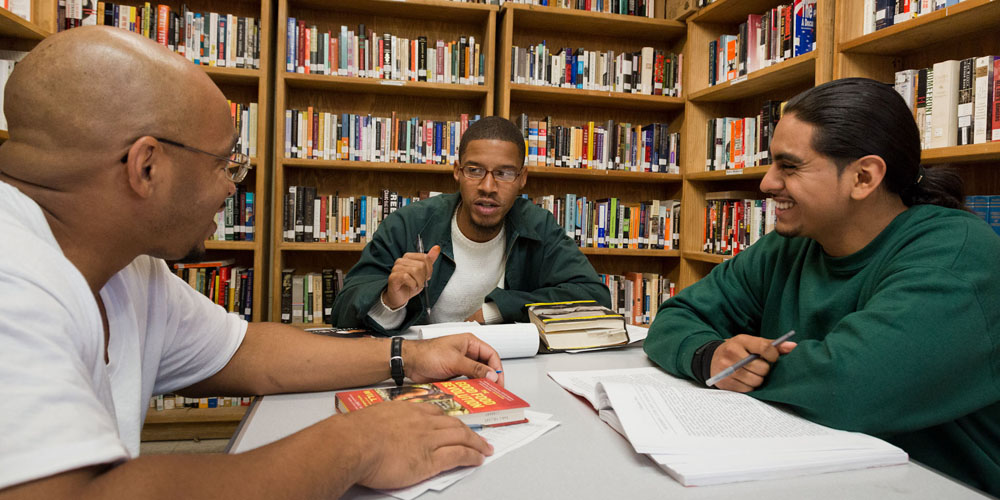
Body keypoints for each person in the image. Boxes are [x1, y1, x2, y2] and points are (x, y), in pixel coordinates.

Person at [0, 26, 506, 499]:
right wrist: (357, 446)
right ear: (146, 167)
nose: (232, 186)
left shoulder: (131, 268)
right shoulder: (13, 278)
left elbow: (243, 353)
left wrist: (412, 357)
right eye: (225, 164)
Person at [644, 78, 1000, 495]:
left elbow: (852, 385)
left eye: (789, 166)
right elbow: (675, 318)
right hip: (828, 473)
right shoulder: (788, 246)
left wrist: (743, 371)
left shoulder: (958, 255)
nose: (766, 183)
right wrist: (709, 356)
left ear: (863, 177)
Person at [331, 116, 611, 335]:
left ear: (522, 178)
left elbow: (594, 298)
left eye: (503, 173)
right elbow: (342, 312)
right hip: (423, 370)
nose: (488, 187)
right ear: (457, 172)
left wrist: (495, 311)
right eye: (475, 170)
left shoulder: (538, 226)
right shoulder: (409, 223)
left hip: (508, 369)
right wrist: (390, 299)